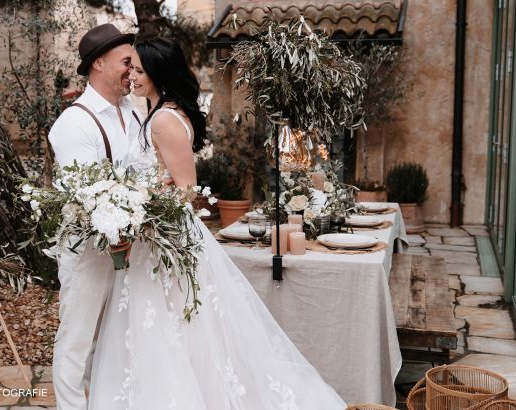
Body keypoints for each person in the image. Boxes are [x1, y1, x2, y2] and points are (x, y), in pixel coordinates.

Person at [87, 37, 347, 409]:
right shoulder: (163, 112)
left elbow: (186, 189)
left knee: (172, 329)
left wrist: (138, 210)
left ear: (159, 73)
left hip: (165, 240)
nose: (132, 75)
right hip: (160, 237)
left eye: (140, 70)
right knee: (179, 331)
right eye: (131, 67)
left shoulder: (162, 119)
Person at [47, 23, 142, 410]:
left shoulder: (131, 114)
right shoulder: (76, 122)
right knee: (77, 343)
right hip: (87, 253)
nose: (132, 72)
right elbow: (84, 195)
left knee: (116, 340)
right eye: (125, 62)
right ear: (99, 63)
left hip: (130, 249)